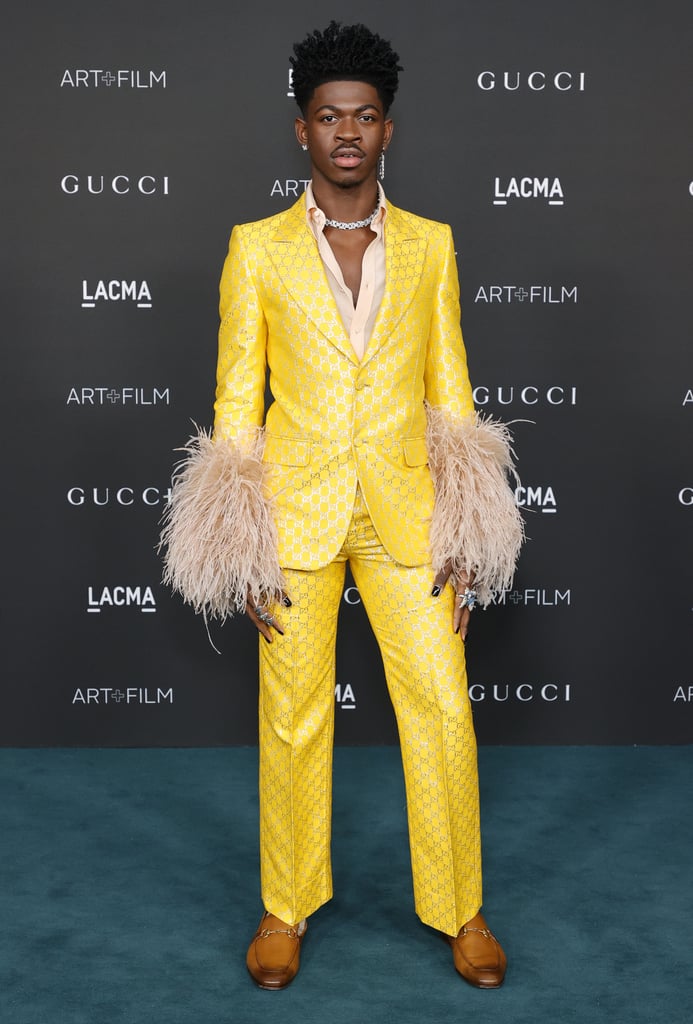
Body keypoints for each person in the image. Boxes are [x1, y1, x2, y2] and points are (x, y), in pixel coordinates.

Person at [160, 21, 523, 991]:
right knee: (291, 715)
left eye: (364, 116)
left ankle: (464, 909)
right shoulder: (258, 250)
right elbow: (236, 407)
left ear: (388, 131)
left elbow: (454, 396)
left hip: (406, 511)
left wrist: (471, 530)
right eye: (330, 117)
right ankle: (285, 906)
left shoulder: (434, 247)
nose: (347, 132)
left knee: (442, 704)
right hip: (295, 514)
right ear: (303, 132)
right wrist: (237, 542)